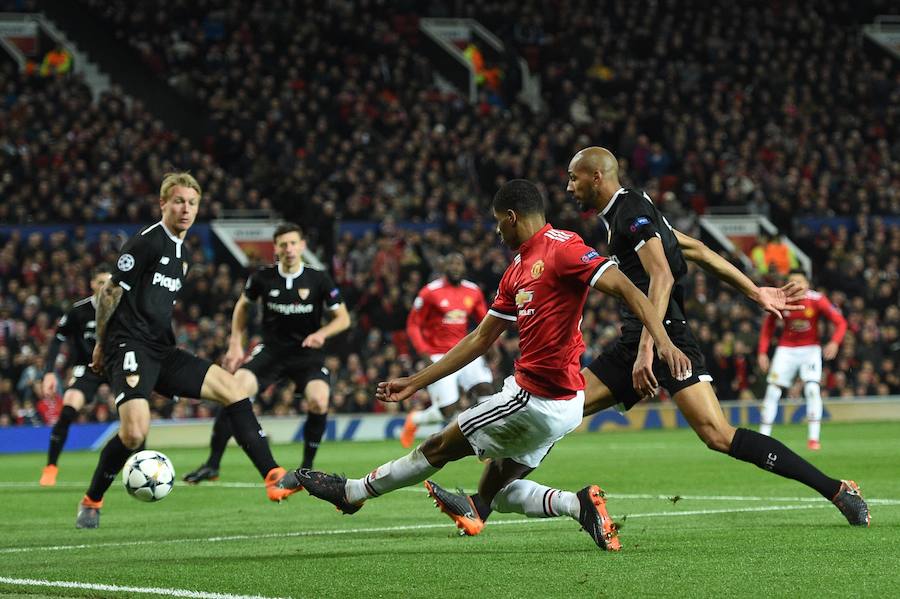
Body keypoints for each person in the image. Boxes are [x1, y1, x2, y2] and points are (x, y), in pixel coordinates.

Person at [428, 147, 869, 535]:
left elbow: (661, 273)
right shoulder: (633, 213)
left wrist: (646, 350)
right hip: (640, 341)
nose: (567, 187)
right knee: (560, 407)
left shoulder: (628, 211)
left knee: (717, 434)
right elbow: (691, 249)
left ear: (596, 177)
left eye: (573, 177)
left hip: (664, 338)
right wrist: (753, 291)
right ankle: (480, 505)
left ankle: (836, 489)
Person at [278, 179, 692, 551]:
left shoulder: (563, 248)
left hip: (536, 399)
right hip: (563, 403)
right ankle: (577, 504)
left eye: (499, 222)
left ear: (512, 217)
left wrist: (662, 340)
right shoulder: (515, 271)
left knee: (438, 446)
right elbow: (479, 338)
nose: (497, 231)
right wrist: (416, 381)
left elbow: (630, 290)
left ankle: (353, 493)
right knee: (497, 490)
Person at [77, 172, 299, 529]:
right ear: (163, 204)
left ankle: (273, 476)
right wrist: (103, 344)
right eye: (178, 201)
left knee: (233, 388)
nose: (186, 209)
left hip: (162, 350)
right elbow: (110, 293)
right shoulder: (146, 242)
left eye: (192, 203)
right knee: (134, 434)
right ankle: (92, 500)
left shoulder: (183, 254)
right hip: (129, 346)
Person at [182, 223, 350, 483]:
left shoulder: (318, 279)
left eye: (294, 243)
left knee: (319, 400)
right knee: (233, 390)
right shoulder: (262, 277)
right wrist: (235, 343)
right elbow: (242, 307)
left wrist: (322, 334)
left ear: (302, 246)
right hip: (272, 351)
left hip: (306, 355)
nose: (289, 249)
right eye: (283, 244)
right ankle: (212, 464)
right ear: (276, 249)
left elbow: (343, 318)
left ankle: (306, 469)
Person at [400, 252, 493, 448]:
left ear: (464, 267)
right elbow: (413, 325)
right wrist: (424, 353)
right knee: (447, 411)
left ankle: (487, 441)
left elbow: (486, 321)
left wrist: (493, 344)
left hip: (466, 350)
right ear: (444, 267)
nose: (456, 267)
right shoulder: (430, 292)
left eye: (459, 264)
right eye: (451, 263)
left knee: (485, 388)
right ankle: (415, 420)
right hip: (438, 354)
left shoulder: (473, 291)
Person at [39, 265, 112, 486]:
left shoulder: (122, 309)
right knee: (68, 408)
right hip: (86, 368)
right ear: (92, 284)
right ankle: (51, 467)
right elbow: (57, 340)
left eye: (109, 283)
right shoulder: (77, 311)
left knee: (135, 409)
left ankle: (141, 461)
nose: (105, 287)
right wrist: (49, 372)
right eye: (100, 283)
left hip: (115, 366)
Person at [758, 270, 847, 449]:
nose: (796, 285)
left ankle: (813, 438)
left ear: (807, 284)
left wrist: (835, 343)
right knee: (773, 391)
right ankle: (762, 438)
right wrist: (762, 352)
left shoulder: (817, 299)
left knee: (813, 389)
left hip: (810, 349)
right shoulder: (781, 299)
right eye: (792, 281)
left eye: (799, 281)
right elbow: (768, 327)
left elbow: (841, 322)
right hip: (786, 349)